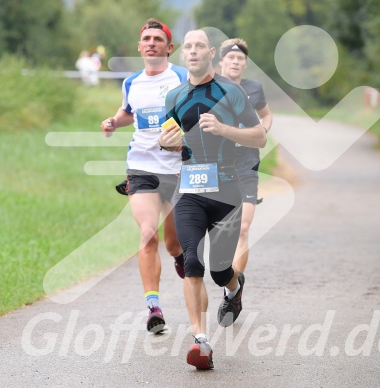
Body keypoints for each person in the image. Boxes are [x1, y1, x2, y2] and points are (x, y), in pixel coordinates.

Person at [159, 29, 266, 370]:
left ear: (210, 53)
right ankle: (200, 341)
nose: (193, 51)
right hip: (189, 190)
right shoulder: (174, 95)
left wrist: (224, 130)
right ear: (183, 54)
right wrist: (167, 142)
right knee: (192, 261)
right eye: (188, 46)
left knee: (220, 271)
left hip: (227, 191)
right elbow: (169, 137)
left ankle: (233, 288)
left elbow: (260, 136)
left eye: (199, 46)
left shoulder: (231, 91)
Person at [100, 18, 187, 334]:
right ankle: (154, 307)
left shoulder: (182, 78)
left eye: (158, 39)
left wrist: (185, 137)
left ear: (169, 47)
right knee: (148, 234)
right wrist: (113, 121)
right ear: (140, 47)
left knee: (174, 243)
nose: (151, 43)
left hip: (178, 170)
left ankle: (178, 256)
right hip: (141, 168)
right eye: (146, 38)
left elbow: (201, 113)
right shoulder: (131, 83)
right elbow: (128, 112)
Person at [218, 38, 273, 273]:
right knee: (220, 230)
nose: (235, 61)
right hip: (217, 165)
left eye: (240, 58)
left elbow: (267, 116)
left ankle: (234, 289)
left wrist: (262, 131)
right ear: (220, 61)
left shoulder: (254, 88)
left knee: (242, 229)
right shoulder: (209, 87)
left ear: (245, 64)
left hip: (247, 164)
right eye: (231, 57)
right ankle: (222, 271)